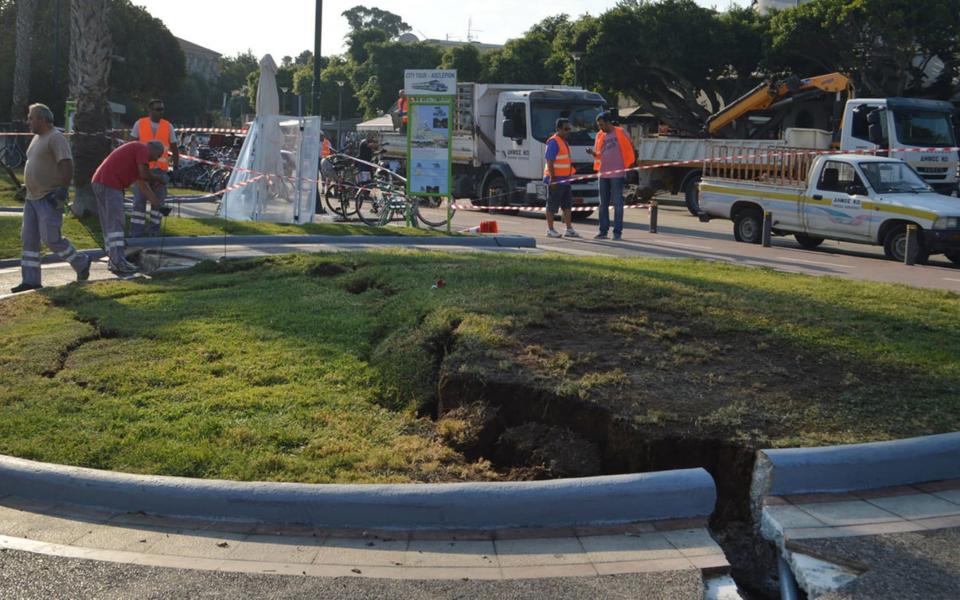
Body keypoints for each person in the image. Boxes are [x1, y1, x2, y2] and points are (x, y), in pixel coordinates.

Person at [10, 103, 91, 293]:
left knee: (51, 238)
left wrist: (63, 188)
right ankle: (31, 281)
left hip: (49, 196)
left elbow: (66, 164)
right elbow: (37, 164)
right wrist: (26, 185)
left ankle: (81, 262)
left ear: (42, 119)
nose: (28, 121)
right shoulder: (37, 138)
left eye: (31, 118)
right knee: (29, 240)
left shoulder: (55, 138)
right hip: (31, 198)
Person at [91, 141, 164, 275]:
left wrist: (158, 205)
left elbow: (143, 186)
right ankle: (118, 262)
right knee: (116, 223)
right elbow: (145, 175)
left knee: (109, 224)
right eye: (158, 155)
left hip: (100, 182)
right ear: (152, 149)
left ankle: (114, 259)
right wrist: (159, 179)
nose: (156, 159)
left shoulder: (136, 157)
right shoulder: (141, 148)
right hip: (110, 184)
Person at [129, 99, 179, 237]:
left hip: (161, 171)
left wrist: (175, 167)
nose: (161, 112)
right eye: (158, 109)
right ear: (150, 110)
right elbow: (131, 144)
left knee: (158, 203)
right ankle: (136, 233)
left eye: (162, 109)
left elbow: (174, 148)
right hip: (142, 170)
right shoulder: (140, 124)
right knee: (139, 202)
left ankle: (153, 233)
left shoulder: (168, 126)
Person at [587, 111, 636, 240]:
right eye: (599, 125)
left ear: (608, 122)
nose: (600, 127)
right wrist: (593, 153)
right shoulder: (599, 135)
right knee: (603, 204)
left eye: (602, 124)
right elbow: (599, 153)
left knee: (617, 203)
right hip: (603, 173)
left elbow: (630, 149)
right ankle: (603, 231)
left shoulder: (621, 132)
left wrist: (629, 167)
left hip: (617, 174)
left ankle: (617, 232)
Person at [544, 118, 580, 238]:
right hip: (556, 180)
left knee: (567, 205)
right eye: (565, 129)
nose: (568, 131)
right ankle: (550, 229)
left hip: (565, 180)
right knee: (552, 205)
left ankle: (569, 229)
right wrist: (553, 178)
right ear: (558, 129)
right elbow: (550, 161)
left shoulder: (563, 141)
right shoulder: (554, 142)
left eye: (569, 129)